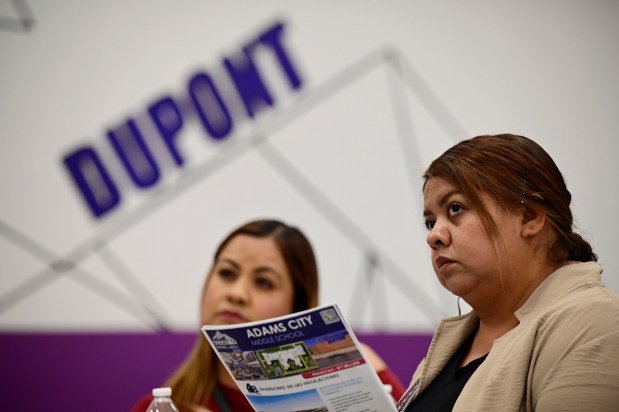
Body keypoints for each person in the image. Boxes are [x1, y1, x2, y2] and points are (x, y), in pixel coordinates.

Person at [396, 134, 619, 411]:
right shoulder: (449, 347)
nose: (434, 236)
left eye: (455, 208)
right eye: (430, 222)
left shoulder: (594, 323)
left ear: (530, 217)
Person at [132, 219, 404, 412]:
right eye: (227, 273)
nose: (237, 293)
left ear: (297, 306)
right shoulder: (160, 407)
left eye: (263, 282)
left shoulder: (362, 372)